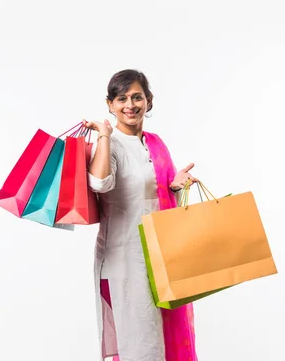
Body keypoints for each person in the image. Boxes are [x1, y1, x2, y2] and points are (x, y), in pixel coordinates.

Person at [84, 69, 199, 360]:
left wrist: (173, 186)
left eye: (137, 97)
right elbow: (99, 183)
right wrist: (105, 136)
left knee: (163, 334)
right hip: (127, 257)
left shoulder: (155, 142)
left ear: (148, 100)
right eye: (121, 98)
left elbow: (152, 198)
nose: (130, 105)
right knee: (140, 340)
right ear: (110, 104)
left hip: (162, 253)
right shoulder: (109, 144)